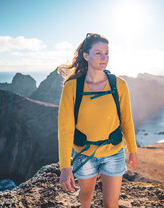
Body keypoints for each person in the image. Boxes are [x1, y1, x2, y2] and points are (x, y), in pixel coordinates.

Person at [57, 33, 138, 208]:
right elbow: (65, 129)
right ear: (86, 56)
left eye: (106, 53)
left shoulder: (119, 84)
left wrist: (132, 149)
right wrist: (65, 167)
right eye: (98, 53)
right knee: (85, 199)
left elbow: (126, 120)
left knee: (111, 204)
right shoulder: (72, 87)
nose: (104, 58)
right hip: (84, 154)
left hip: (114, 153)